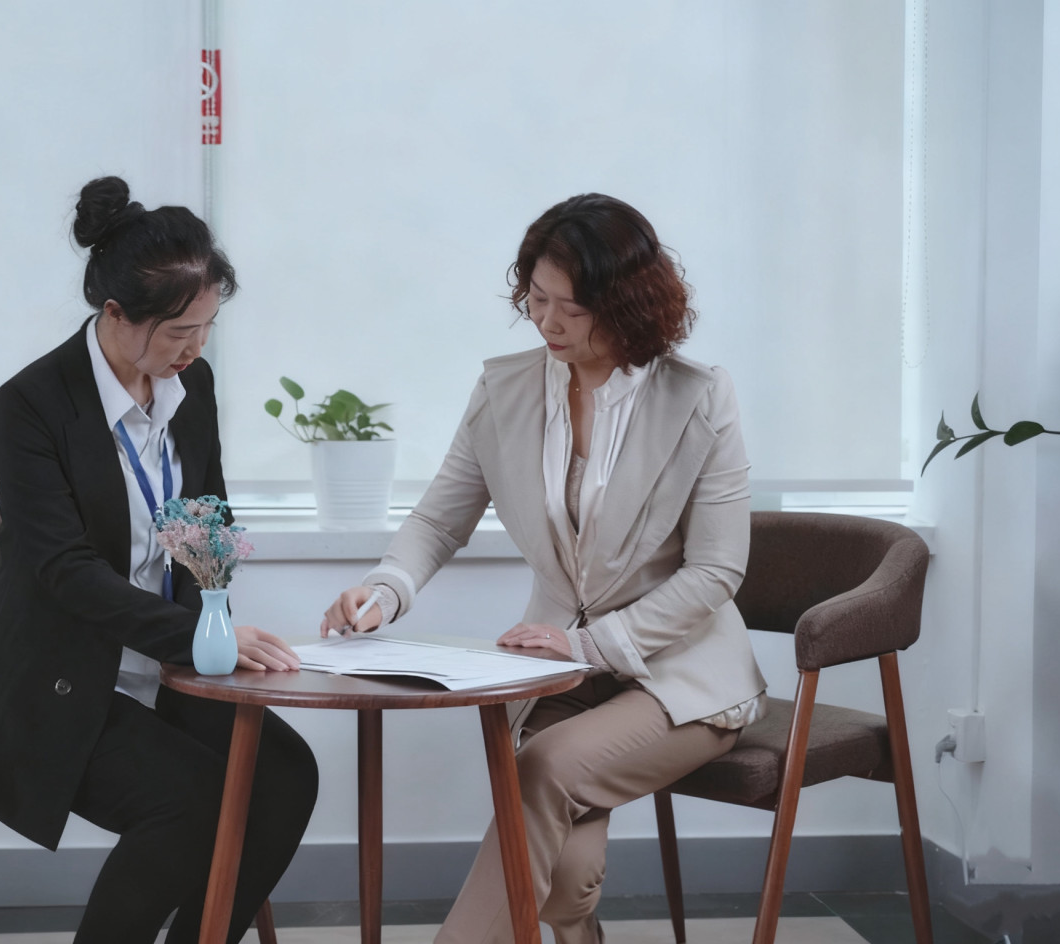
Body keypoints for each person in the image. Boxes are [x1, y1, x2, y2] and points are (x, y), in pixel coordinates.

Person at [322, 193, 767, 944]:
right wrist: (384, 590)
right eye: (536, 299)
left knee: (542, 769)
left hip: (681, 675)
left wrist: (590, 644)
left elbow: (717, 571)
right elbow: (439, 519)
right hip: (560, 670)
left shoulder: (699, 397)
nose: (548, 323)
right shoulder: (505, 389)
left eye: (573, 307)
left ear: (626, 304)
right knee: (564, 878)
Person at [0, 176, 318, 944]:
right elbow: (63, 571)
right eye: (179, 333)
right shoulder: (33, 404)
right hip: (59, 681)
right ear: (115, 315)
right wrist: (195, 637)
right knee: (191, 799)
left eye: (207, 328)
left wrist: (214, 629)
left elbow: (205, 519)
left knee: (284, 775)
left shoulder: (190, 384)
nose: (195, 349)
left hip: (167, 666)